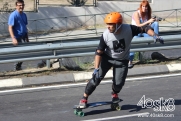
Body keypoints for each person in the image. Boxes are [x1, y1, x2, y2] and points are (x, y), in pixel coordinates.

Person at [77, 11, 164, 108]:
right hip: (107, 58)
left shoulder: (129, 29)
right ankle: (84, 98)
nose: (108, 27)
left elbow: (145, 28)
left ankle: (114, 94)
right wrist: (96, 69)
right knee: (95, 79)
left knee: (119, 83)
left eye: (111, 24)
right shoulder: (106, 35)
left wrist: (155, 35)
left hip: (122, 61)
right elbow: (99, 52)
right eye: (107, 24)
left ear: (118, 24)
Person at [129, 0, 159, 68]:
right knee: (134, 44)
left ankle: (156, 37)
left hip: (144, 32)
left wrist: (152, 21)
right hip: (137, 33)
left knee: (156, 24)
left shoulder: (147, 13)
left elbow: (147, 25)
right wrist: (149, 21)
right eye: (143, 6)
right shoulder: (136, 13)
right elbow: (138, 25)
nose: (144, 8)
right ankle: (129, 60)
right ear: (140, 6)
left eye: (146, 7)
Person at [8, 0, 29, 71]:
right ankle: (16, 68)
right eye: (19, 5)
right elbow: (10, 27)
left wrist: (27, 38)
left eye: (22, 5)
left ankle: (18, 67)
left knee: (25, 53)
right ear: (16, 6)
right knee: (20, 53)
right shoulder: (13, 15)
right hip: (17, 37)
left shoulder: (24, 15)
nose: (21, 7)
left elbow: (25, 27)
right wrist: (13, 38)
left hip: (23, 36)